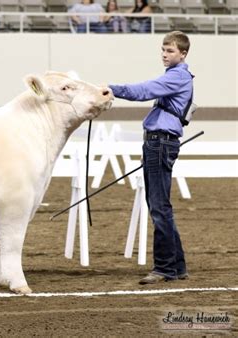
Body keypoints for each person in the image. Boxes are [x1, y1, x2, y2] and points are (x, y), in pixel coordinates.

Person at [108, 31, 194, 284]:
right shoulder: (176, 76)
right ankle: (177, 266)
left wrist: (112, 89)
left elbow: (144, 91)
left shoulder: (177, 76)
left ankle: (165, 268)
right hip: (158, 143)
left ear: (183, 54)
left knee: (159, 207)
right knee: (161, 206)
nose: (165, 55)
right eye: (163, 50)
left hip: (160, 143)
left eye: (170, 51)